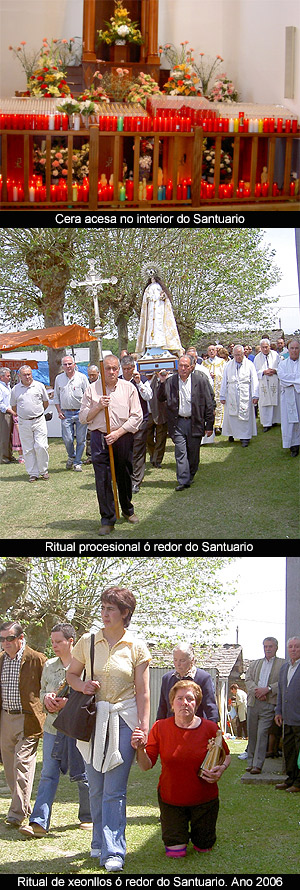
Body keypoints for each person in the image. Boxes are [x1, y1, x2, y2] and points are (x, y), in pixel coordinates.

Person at [66, 587, 151, 872]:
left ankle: (114, 851)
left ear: (125, 613)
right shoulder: (87, 641)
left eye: (111, 609)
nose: (104, 613)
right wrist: (82, 685)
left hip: (124, 720)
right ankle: (99, 842)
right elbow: (72, 675)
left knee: (115, 789)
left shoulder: (137, 647)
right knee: (96, 786)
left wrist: (143, 727)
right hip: (93, 721)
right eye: (103, 607)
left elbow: (143, 692)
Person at [132, 680, 230, 857]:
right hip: (172, 800)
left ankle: (202, 834)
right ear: (171, 704)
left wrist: (221, 769)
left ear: (197, 703)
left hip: (204, 800)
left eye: (190, 699)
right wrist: (140, 748)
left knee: (204, 848)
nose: (185, 703)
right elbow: (146, 766)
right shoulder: (160, 727)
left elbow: (227, 755)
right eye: (179, 698)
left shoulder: (210, 728)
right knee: (175, 853)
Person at [19, 623, 92, 838]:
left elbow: (88, 697)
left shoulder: (86, 667)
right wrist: (47, 699)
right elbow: (41, 692)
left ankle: (88, 817)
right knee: (48, 774)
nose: (55, 645)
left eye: (59, 641)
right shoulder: (49, 665)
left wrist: (67, 704)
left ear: (71, 642)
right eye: (52, 642)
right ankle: (39, 823)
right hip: (52, 728)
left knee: (83, 775)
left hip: (76, 729)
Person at [79, 355, 143, 535]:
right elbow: (83, 418)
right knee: (103, 478)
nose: (112, 372)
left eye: (115, 368)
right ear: (102, 370)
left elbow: (137, 416)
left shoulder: (128, 388)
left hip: (122, 436)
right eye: (108, 368)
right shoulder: (92, 390)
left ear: (119, 369)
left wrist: (118, 433)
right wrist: (98, 406)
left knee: (124, 474)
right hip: (100, 438)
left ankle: (127, 509)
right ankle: (107, 518)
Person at [0, 621, 46, 827]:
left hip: (28, 719)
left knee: (21, 763)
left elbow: (48, 687)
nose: (5, 643)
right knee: (9, 766)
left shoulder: (36, 659)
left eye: (9, 638)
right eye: (2, 639)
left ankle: (16, 814)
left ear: (20, 638)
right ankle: (23, 806)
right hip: (5, 718)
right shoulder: (1, 660)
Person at [157, 355, 215, 490]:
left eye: (185, 366)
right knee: (180, 452)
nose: (182, 368)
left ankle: (191, 474)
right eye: (180, 365)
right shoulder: (171, 381)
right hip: (177, 423)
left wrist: (209, 425)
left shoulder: (200, 381)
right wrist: (162, 382)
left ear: (191, 367)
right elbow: (160, 398)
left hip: (195, 421)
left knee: (193, 453)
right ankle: (183, 480)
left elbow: (209, 403)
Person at [245, 637, 285, 774]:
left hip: (269, 703)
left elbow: (283, 682)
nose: (268, 649)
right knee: (252, 733)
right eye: (266, 646)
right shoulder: (255, 663)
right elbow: (248, 679)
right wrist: (256, 691)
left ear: (276, 648)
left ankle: (258, 765)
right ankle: (250, 762)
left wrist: (267, 689)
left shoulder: (282, 664)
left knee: (262, 734)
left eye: (270, 646)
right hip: (253, 702)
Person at [156, 643, 219, 723]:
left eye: (182, 660)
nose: (178, 664)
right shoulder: (167, 679)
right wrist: (158, 729)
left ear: (192, 660)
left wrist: (212, 730)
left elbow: (211, 708)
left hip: (196, 729)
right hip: (172, 730)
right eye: (175, 660)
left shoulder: (203, 678)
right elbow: (162, 708)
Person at [10, 365, 50, 481]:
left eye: (29, 374)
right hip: (24, 422)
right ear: (19, 376)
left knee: (41, 446)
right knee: (28, 448)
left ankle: (44, 470)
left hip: (39, 420)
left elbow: (45, 403)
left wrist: (38, 412)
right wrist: (24, 415)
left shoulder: (39, 386)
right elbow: (14, 406)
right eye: (25, 375)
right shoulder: (15, 390)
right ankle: (33, 473)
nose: (27, 376)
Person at [120, 355, 152, 494]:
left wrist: (139, 383)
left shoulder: (142, 380)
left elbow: (148, 396)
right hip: (123, 423)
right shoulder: (118, 381)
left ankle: (136, 481)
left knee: (138, 452)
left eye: (130, 368)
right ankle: (125, 478)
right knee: (125, 452)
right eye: (125, 368)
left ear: (134, 367)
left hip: (140, 421)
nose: (127, 371)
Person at [136, 268, 182, 356]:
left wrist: (162, 297)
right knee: (150, 327)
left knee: (159, 326)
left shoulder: (160, 287)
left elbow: (165, 300)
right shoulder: (148, 288)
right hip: (150, 311)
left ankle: (161, 343)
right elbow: (145, 302)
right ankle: (150, 344)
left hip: (159, 309)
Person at [220, 345, 259, 447]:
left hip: (245, 392)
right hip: (232, 392)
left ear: (243, 354)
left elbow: (254, 380)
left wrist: (255, 395)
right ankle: (232, 433)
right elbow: (224, 381)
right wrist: (222, 395)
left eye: (240, 355)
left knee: (244, 414)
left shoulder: (249, 364)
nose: (238, 357)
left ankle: (245, 437)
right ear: (233, 354)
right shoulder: (228, 365)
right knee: (232, 415)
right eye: (236, 355)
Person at [53, 355, 88, 471]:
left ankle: (77, 462)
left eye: (69, 364)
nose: (68, 366)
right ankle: (72, 456)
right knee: (67, 439)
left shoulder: (82, 378)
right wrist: (59, 411)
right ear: (62, 366)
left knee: (81, 439)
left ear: (74, 364)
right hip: (65, 413)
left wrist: (85, 411)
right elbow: (56, 397)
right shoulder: (59, 379)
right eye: (65, 364)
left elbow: (88, 395)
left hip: (80, 412)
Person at [275, 636, 300, 793]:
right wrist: (278, 711)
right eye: (291, 647)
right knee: (289, 750)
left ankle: (298, 782)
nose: (293, 649)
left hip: (299, 718)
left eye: (297, 647)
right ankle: (290, 778)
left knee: (299, 753)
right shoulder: (284, 668)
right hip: (287, 718)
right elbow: (281, 692)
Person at [277, 339, 300, 457]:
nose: (294, 351)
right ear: (288, 349)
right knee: (289, 421)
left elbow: (288, 379)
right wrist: (296, 380)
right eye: (292, 348)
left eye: (296, 348)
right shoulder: (282, 364)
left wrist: (291, 381)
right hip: (288, 396)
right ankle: (293, 445)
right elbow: (282, 378)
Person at [254, 338, 280, 431]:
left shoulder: (275, 355)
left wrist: (274, 370)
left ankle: (275, 420)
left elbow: (280, 367)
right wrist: (264, 371)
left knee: (274, 400)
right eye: (263, 347)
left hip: (274, 380)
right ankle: (266, 423)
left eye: (266, 347)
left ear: (269, 346)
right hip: (263, 382)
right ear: (260, 348)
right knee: (265, 403)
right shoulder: (257, 358)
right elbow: (255, 372)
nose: (265, 349)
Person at [202, 345, 226, 434]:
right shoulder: (204, 363)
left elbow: (225, 374)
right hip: (209, 388)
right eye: (209, 350)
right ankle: (210, 425)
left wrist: (216, 375)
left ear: (216, 351)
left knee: (220, 406)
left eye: (213, 350)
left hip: (219, 387)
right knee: (210, 407)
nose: (211, 352)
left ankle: (219, 425)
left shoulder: (222, 362)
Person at [146, 372, 168, 469]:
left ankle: (157, 459)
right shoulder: (141, 380)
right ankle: (153, 454)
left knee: (161, 438)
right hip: (147, 414)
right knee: (148, 437)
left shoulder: (160, 378)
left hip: (160, 412)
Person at [0, 367, 16, 464]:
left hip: (10, 413)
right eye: (8, 376)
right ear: (1, 377)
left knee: (10, 435)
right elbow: (1, 403)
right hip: (4, 413)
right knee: (4, 436)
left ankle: (9, 455)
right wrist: (9, 410)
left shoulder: (7, 386)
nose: (10, 377)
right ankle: (3, 457)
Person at [83, 365, 99, 464]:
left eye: (93, 375)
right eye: (90, 375)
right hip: (90, 411)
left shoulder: (102, 383)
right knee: (89, 435)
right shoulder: (86, 383)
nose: (91, 377)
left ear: (98, 374)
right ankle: (90, 456)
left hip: (100, 410)